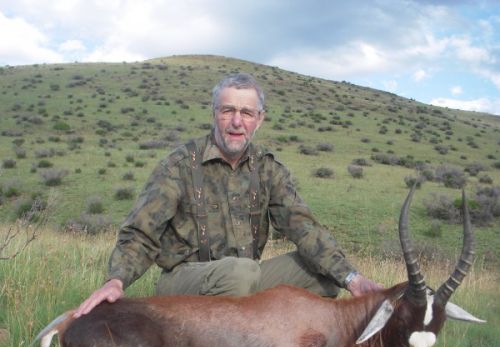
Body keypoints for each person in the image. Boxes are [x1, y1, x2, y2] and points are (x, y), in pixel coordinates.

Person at [75, 73, 381, 317]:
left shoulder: (268, 168)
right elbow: (141, 232)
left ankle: (278, 342)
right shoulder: (179, 166)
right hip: (184, 283)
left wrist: (352, 279)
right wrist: (116, 281)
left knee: (323, 276)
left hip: (243, 280)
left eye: (247, 112)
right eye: (228, 110)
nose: (237, 121)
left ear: (259, 119)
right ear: (214, 113)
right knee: (241, 272)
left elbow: (305, 228)